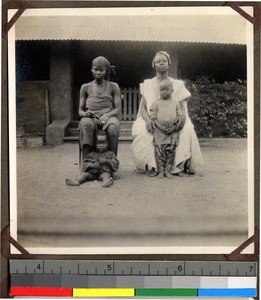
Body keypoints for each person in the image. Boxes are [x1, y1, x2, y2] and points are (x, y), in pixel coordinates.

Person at [131, 51, 203, 177]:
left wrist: (182, 119)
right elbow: (143, 108)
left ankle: (177, 167)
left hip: (174, 118)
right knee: (143, 130)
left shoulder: (177, 84)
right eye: (158, 61)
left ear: (169, 64)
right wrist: (148, 120)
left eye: (164, 61)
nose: (161, 63)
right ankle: (153, 166)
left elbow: (182, 106)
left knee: (187, 129)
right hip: (153, 118)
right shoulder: (148, 83)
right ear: (153, 64)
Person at [78, 56, 121, 161]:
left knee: (113, 128)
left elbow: (118, 109)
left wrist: (107, 115)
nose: (98, 72)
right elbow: (80, 111)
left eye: (101, 70)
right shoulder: (85, 87)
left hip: (109, 116)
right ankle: (86, 164)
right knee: (85, 124)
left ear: (106, 71)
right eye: (95, 69)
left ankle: (111, 164)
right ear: (91, 70)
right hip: (91, 117)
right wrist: (85, 114)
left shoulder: (113, 86)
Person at [149, 79, 182, 179]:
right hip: (160, 132)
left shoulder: (175, 104)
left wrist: (174, 127)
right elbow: (153, 117)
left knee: (170, 153)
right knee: (159, 153)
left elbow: (179, 117)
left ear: (172, 91)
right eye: (162, 90)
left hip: (172, 133)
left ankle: (168, 171)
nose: (164, 92)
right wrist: (160, 126)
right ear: (159, 91)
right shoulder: (156, 103)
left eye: (167, 89)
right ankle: (160, 171)